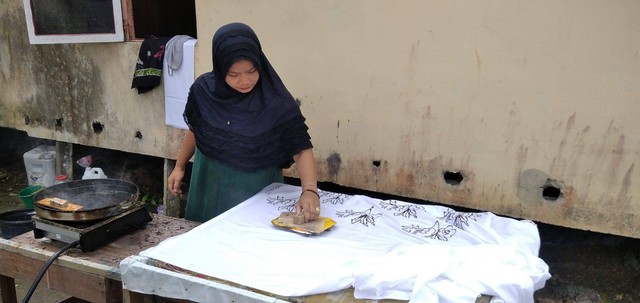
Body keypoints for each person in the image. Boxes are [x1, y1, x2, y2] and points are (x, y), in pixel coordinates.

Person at [167, 22, 320, 223]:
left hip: (256, 192)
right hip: (209, 188)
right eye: (234, 75)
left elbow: (300, 148)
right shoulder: (203, 90)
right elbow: (196, 130)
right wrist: (179, 166)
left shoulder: (276, 102)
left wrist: (310, 190)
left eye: (251, 71)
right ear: (220, 69)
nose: (245, 81)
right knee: (205, 240)